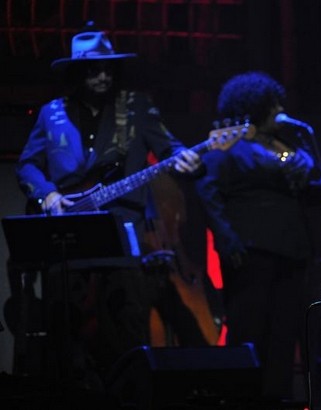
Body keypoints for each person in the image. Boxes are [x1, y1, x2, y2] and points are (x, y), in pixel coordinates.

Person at [14, 22, 203, 388]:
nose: (102, 76)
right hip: (68, 235)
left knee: (125, 328)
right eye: (93, 69)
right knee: (65, 334)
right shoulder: (52, 113)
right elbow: (27, 166)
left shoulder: (136, 108)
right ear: (77, 73)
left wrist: (187, 160)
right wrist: (48, 194)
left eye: (108, 69)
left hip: (121, 234)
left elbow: (170, 147)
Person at [194, 70, 321, 402]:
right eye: (272, 104)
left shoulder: (285, 144)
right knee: (250, 328)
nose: (279, 109)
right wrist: (227, 240)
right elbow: (208, 193)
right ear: (254, 107)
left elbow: (301, 189)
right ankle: (243, 398)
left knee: (284, 331)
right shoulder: (228, 144)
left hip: (291, 249)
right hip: (250, 250)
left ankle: (275, 398)